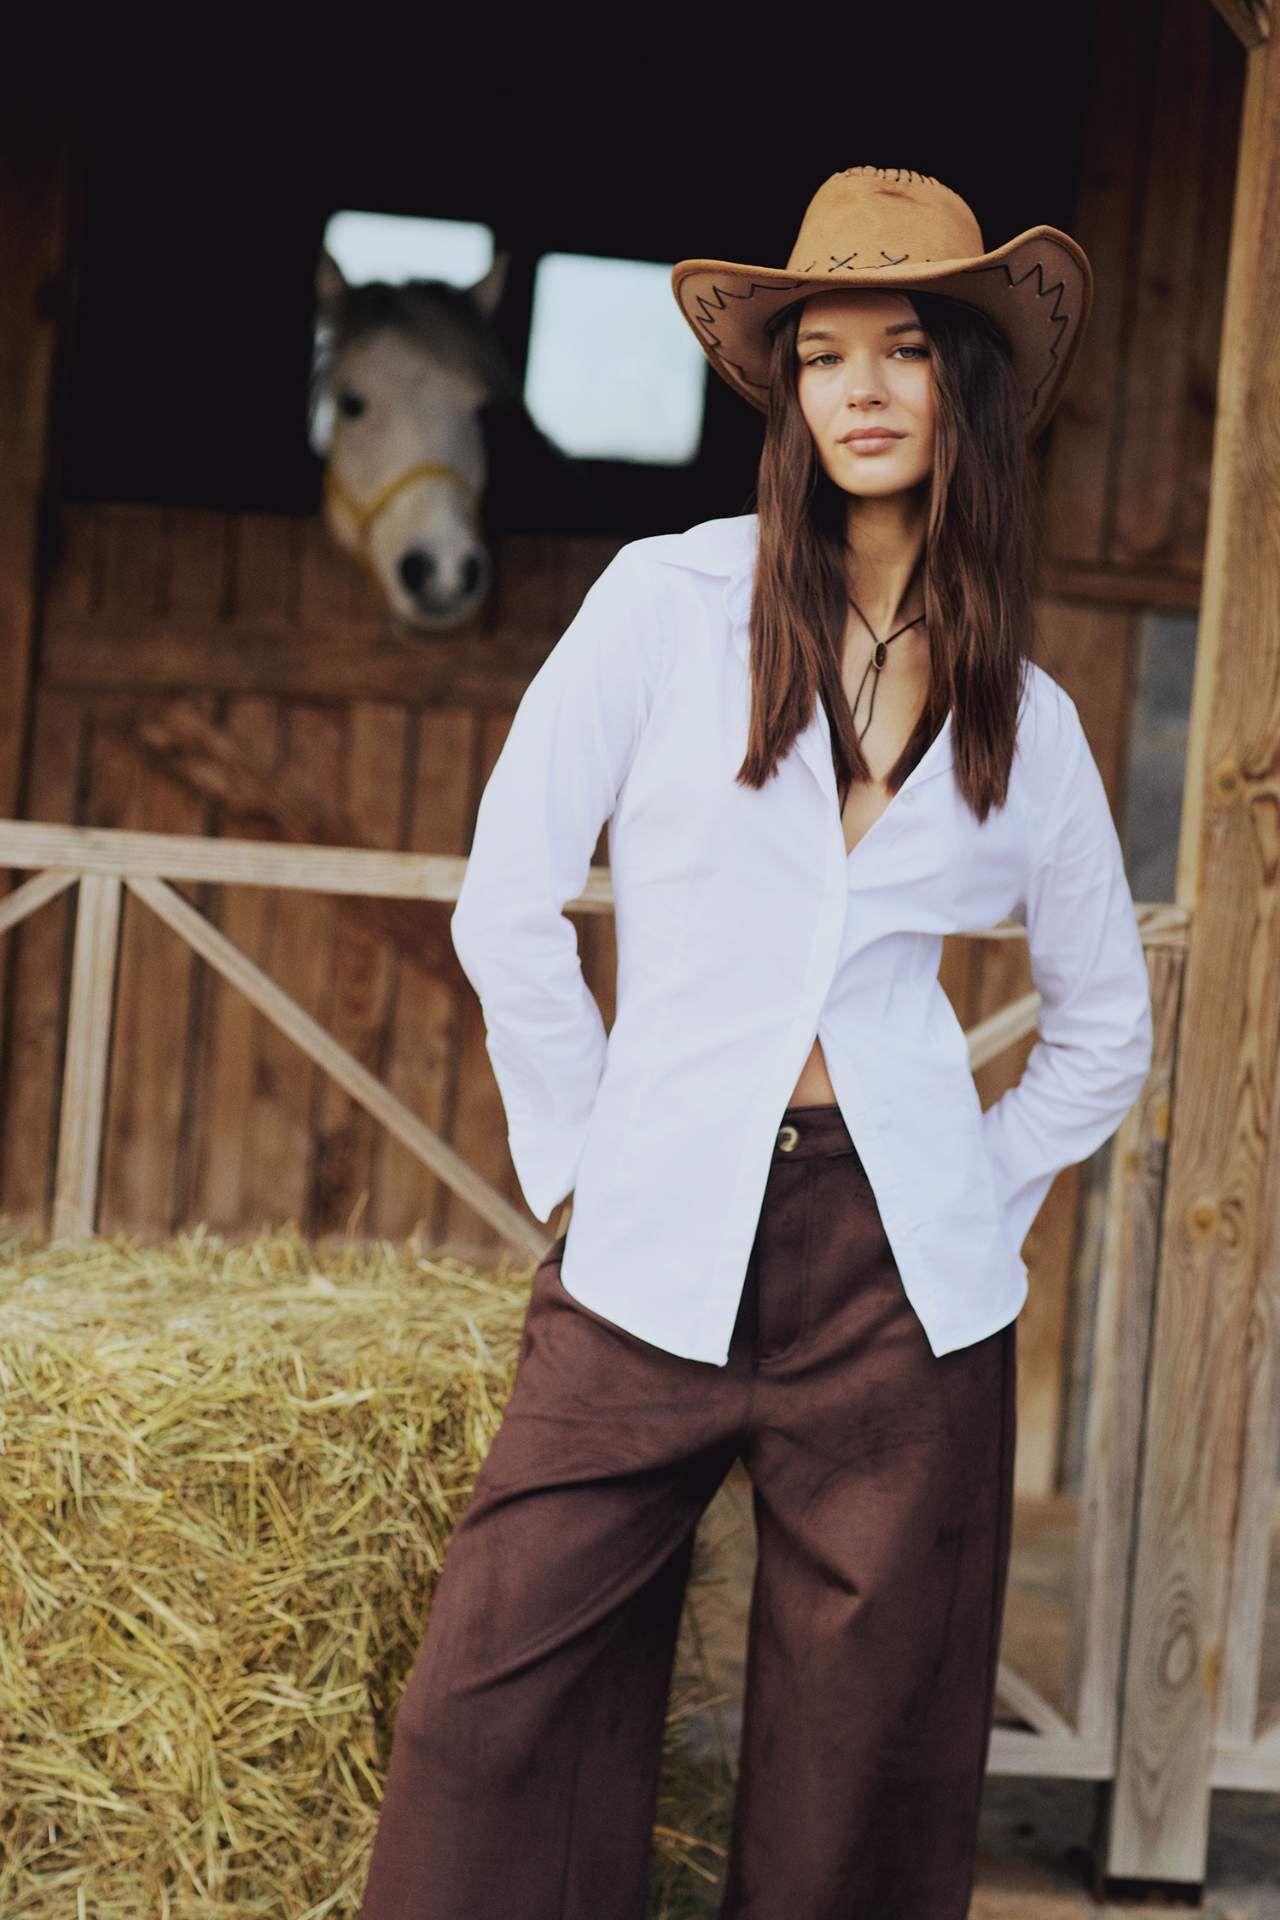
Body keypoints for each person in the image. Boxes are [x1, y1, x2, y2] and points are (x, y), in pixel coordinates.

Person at [359, 165, 1153, 1920]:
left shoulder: (1031, 715)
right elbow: (507, 905)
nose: (861, 389)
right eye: (823, 354)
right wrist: (581, 1160)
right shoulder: (664, 603)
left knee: (855, 1784)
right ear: (786, 390)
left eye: (906, 350)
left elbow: (1107, 1031)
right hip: (651, 1234)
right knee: (491, 1719)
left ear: (966, 383)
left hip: (899, 1293)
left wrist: (971, 1194)